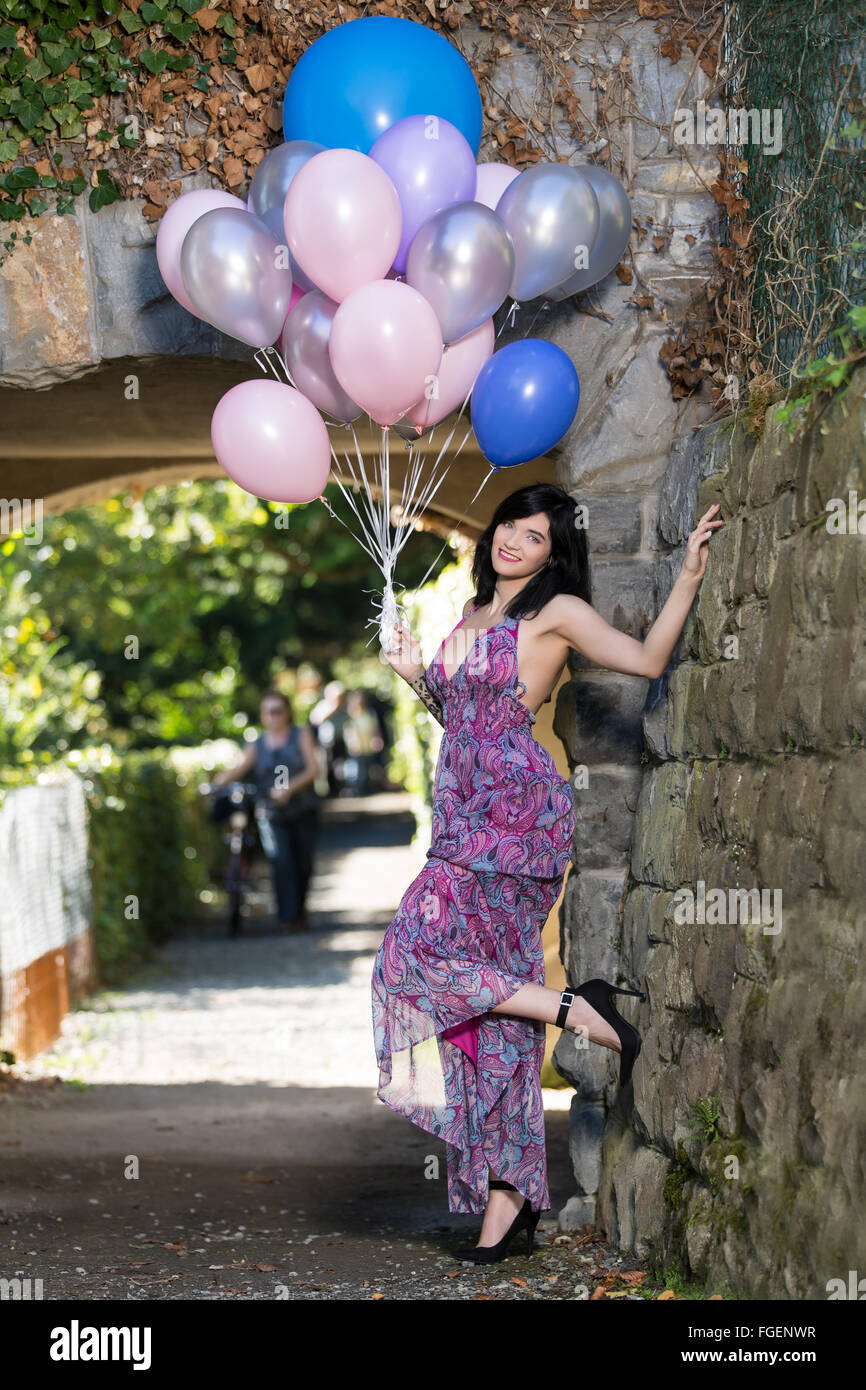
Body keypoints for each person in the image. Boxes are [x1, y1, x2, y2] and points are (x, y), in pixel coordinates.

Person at [374, 481, 723, 1262]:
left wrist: (691, 576)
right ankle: (511, 1201)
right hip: (461, 818)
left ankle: (581, 1011)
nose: (514, 542)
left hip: (518, 819)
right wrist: (411, 673)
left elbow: (647, 659)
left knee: (411, 959)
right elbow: (465, 719)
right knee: (493, 1010)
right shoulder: (469, 615)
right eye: (510, 526)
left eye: (535, 537)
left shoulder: (555, 612)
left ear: (553, 554)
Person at [213, 689, 321, 932]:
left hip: (303, 809)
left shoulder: (301, 735)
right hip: (271, 813)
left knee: (303, 864)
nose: (273, 717)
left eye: (277, 711)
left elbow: (314, 769)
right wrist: (214, 784)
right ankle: (288, 917)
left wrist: (289, 789)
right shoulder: (257, 745)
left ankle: (299, 912)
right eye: (268, 712)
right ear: (262, 716)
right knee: (281, 861)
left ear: (287, 713)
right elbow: (236, 769)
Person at [342, 690, 384, 796]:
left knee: (366, 767)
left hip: (367, 746)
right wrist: (353, 743)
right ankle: (355, 789)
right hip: (356, 746)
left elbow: (375, 729)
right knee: (356, 768)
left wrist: (377, 739)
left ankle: (363, 788)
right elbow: (349, 732)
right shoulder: (350, 716)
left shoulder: (369, 714)